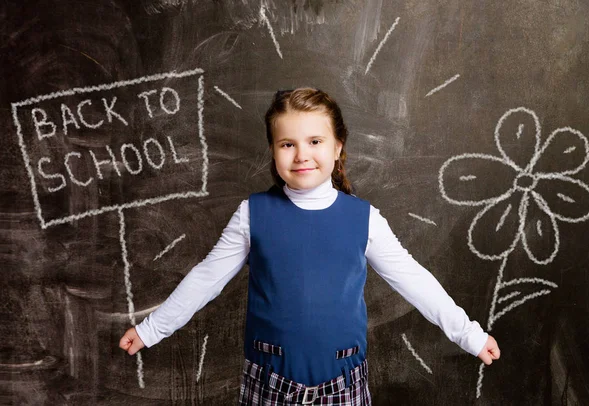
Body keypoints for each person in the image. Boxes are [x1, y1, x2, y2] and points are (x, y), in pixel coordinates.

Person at [120, 88, 500, 405]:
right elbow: (207, 278)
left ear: (337, 148)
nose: (301, 155)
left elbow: (412, 279)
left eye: (314, 141)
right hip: (268, 385)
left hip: (344, 386)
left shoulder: (363, 218)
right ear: (273, 150)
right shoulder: (253, 214)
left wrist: (469, 334)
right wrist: (152, 329)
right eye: (288, 143)